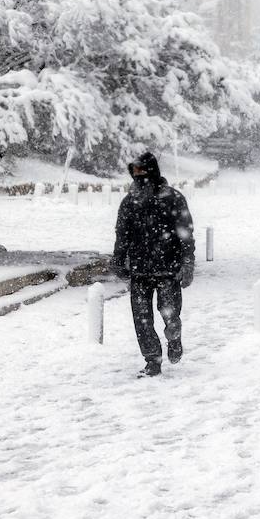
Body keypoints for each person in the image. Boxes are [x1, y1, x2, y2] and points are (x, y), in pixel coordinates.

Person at [110, 151, 196, 378]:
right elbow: (122, 235)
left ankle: (173, 336)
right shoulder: (130, 202)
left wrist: (187, 264)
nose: (139, 177)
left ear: (153, 171)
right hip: (139, 271)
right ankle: (152, 360)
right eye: (135, 172)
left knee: (169, 313)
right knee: (142, 318)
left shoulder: (173, 198)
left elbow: (186, 234)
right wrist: (118, 259)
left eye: (143, 171)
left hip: (168, 269)